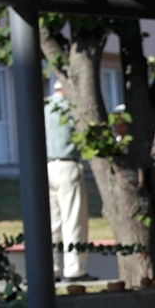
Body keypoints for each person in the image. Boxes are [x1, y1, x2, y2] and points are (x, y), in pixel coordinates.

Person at [44, 79, 95, 282]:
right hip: (67, 165)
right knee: (73, 220)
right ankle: (75, 269)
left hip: (47, 167)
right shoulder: (71, 108)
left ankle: (51, 268)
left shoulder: (45, 106)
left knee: (51, 223)